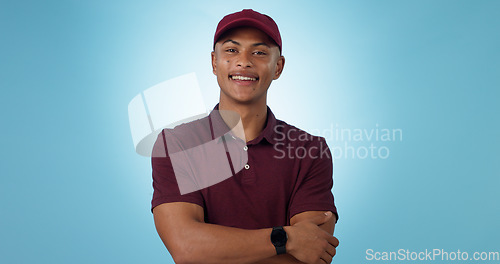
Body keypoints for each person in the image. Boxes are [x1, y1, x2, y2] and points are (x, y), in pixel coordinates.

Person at [151, 9, 339, 264]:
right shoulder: (176, 144)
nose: (244, 61)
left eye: (259, 52)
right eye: (231, 50)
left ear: (278, 67)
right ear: (214, 62)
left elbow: (312, 253)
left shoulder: (311, 150)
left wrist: (216, 251)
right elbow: (187, 248)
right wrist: (287, 240)